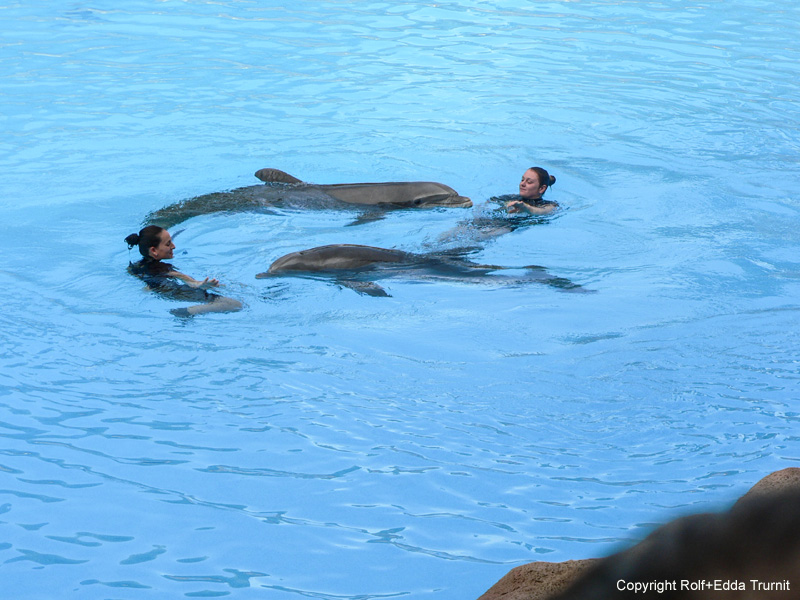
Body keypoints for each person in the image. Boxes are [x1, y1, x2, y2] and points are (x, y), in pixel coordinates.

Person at [124, 226, 242, 317]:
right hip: (175, 291)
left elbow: (145, 279)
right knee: (235, 304)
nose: (174, 246)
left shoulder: (135, 266)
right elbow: (189, 281)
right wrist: (201, 284)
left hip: (160, 290)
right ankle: (187, 312)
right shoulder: (164, 268)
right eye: (168, 243)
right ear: (154, 250)